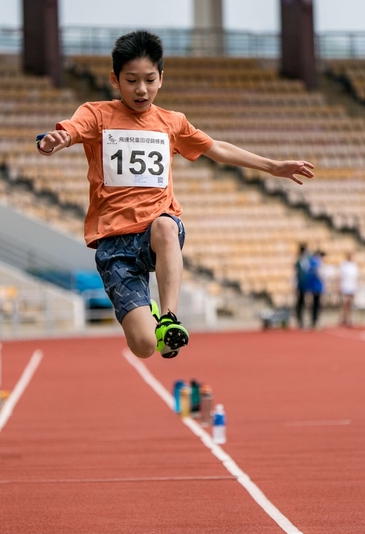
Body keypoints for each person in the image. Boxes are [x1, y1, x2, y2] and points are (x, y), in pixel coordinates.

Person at [37, 30, 314, 359]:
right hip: (114, 244)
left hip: (155, 230)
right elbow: (70, 130)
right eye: (131, 80)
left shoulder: (172, 122)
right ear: (115, 79)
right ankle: (151, 318)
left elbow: (217, 148)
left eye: (149, 79)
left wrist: (272, 166)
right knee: (142, 347)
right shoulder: (98, 115)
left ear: (161, 78)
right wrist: (57, 140)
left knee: (167, 226)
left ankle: (167, 318)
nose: (141, 89)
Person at [306, 250, 325, 329]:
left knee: (315, 304)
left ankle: (314, 320)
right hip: (317, 287)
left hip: (315, 287)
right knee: (316, 305)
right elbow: (320, 275)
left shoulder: (312, 262)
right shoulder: (316, 263)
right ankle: (315, 320)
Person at [339, 252, 358, 326]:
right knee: (345, 303)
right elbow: (341, 276)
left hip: (352, 286)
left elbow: (355, 277)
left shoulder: (354, 265)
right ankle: (344, 318)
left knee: (350, 303)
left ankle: (350, 319)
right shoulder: (344, 265)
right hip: (345, 286)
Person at [294, 243, 310, 329]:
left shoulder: (306, 261)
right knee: (300, 303)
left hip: (304, 285)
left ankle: (302, 319)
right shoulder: (299, 261)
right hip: (300, 285)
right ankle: (299, 320)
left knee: (303, 303)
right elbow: (297, 274)